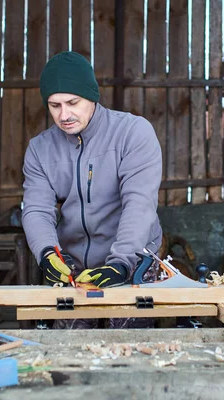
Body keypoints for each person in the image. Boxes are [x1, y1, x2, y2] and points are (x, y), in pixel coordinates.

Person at [21, 51, 162, 329]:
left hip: (132, 258)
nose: (64, 115)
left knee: (126, 350)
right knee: (71, 351)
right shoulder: (39, 149)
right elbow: (36, 208)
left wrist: (122, 261)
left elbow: (139, 203)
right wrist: (48, 253)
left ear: (92, 95)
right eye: (54, 105)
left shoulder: (133, 133)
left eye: (73, 102)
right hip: (72, 263)